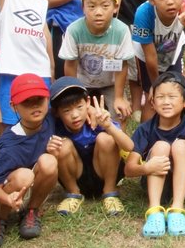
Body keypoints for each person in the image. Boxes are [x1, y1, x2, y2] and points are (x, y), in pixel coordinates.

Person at [0, 74, 59, 248]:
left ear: (48, 100)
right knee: (24, 175)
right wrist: (8, 199)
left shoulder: (48, 119)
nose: (35, 106)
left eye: (39, 100)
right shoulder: (10, 145)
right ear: (14, 106)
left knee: (50, 161)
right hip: (6, 192)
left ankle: (32, 211)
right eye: (26, 102)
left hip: (30, 188)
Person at [127, 73, 185, 237]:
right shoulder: (145, 129)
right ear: (152, 103)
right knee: (161, 146)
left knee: (180, 145)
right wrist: (147, 168)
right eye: (160, 97)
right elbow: (129, 169)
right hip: (157, 188)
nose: (166, 102)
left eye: (172, 96)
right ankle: (154, 210)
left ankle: (178, 209)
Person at [48, 77, 134, 216]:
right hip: (76, 175)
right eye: (66, 110)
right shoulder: (53, 125)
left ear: (88, 103)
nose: (75, 115)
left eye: (79, 107)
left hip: (103, 173)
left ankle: (110, 192)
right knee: (60, 144)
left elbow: (129, 146)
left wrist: (108, 126)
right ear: (56, 112)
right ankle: (73, 193)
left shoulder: (99, 119)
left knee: (105, 139)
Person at [59, 0, 135, 118]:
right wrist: (75, 93)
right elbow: (70, 65)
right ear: (83, 8)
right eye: (92, 6)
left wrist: (119, 97)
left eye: (105, 6)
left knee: (120, 112)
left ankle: (118, 138)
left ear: (115, 7)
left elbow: (121, 65)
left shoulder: (121, 30)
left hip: (110, 83)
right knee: (77, 114)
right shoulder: (74, 30)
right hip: (82, 83)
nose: (98, 12)